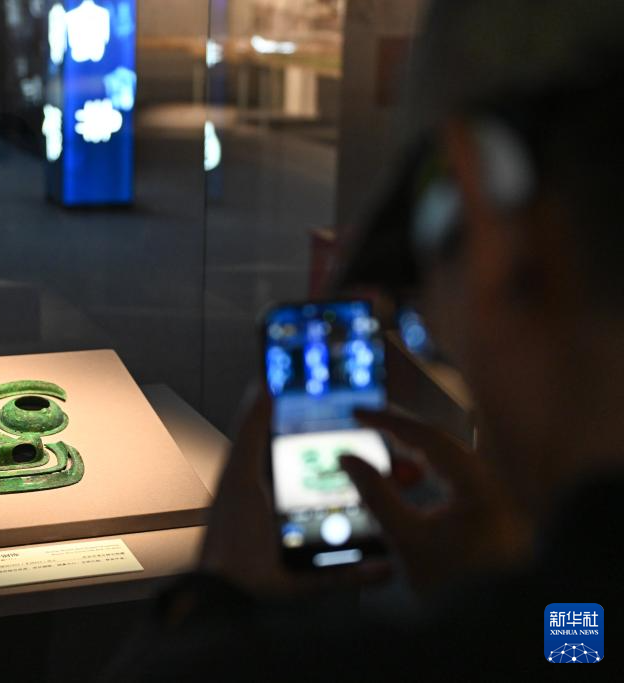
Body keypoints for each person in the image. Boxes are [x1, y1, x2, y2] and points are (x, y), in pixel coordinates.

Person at [103, 0, 624, 678]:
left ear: (487, 231)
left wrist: (209, 600)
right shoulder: (572, 624)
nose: (432, 324)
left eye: (419, 283)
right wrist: (512, 594)